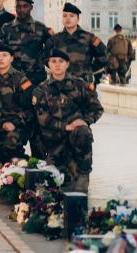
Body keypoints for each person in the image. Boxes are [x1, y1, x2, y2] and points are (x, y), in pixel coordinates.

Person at [33, 48, 104, 192]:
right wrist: (65, 126)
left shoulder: (80, 85)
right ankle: (66, 170)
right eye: (53, 61)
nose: (57, 64)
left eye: (61, 61)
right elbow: (43, 118)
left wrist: (85, 121)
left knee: (83, 132)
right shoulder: (41, 89)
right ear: (49, 64)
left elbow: (97, 108)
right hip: (54, 141)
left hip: (76, 138)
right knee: (58, 183)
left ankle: (83, 174)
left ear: (67, 64)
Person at [0, 43, 34, 162]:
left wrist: (15, 122)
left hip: (16, 125)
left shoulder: (21, 79)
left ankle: (16, 170)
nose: (1, 58)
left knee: (10, 143)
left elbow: (29, 109)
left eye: (4, 55)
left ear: (11, 58)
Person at [0, 0, 54, 85]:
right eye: (18, 6)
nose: (21, 9)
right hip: (12, 80)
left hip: (36, 80)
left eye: (25, 6)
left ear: (31, 8)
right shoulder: (5, 29)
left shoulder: (41, 28)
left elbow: (51, 53)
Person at [43, 3, 108, 83]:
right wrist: (57, 69)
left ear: (78, 19)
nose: (67, 18)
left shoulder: (89, 38)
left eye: (71, 16)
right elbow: (45, 57)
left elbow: (105, 54)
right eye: (65, 16)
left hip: (84, 84)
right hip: (60, 84)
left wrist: (90, 69)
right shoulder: (54, 40)